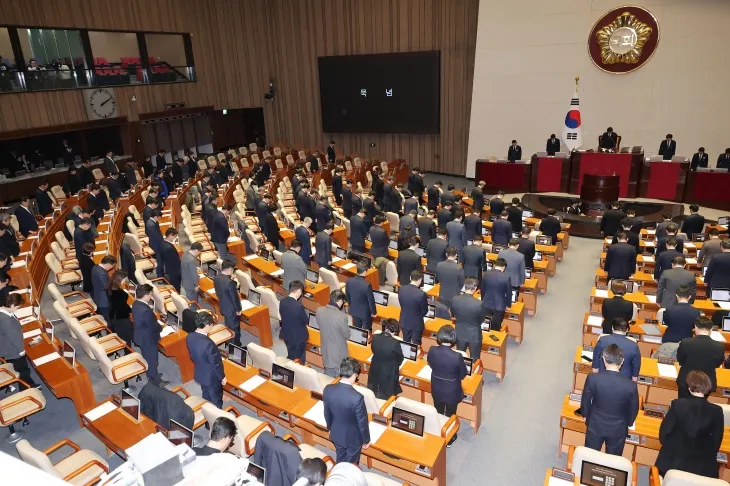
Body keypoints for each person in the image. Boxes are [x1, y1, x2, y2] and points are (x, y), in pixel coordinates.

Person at [655, 370, 724, 478]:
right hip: (703, 469)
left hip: (672, 464)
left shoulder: (677, 405)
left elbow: (664, 434)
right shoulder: (717, 411)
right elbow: (716, 441)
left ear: (689, 387)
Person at [580, 344, 639, 455]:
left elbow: (586, 399)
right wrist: (629, 422)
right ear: (622, 361)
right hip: (618, 428)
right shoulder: (631, 385)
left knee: (589, 457)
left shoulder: (593, 378)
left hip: (595, 424)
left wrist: (585, 414)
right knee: (612, 462)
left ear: (604, 359)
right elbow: (634, 408)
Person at [323, 357, 370, 463]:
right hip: (353, 438)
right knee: (351, 464)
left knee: (340, 458)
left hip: (336, 433)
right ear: (354, 375)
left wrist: (330, 428)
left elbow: (327, 413)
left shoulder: (328, 389)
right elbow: (362, 422)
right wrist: (366, 440)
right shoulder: (357, 397)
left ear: (340, 371)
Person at [427, 324, 466, 447]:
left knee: (438, 412)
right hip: (452, 391)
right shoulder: (457, 356)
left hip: (436, 387)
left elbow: (430, 363)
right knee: (450, 414)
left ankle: (438, 433)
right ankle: (450, 437)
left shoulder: (432, 350)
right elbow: (463, 374)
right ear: (453, 338)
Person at [676, 317, 725, 398]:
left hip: (686, 381)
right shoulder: (719, 346)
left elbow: (680, 360)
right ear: (711, 329)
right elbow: (717, 364)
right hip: (706, 383)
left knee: (682, 405)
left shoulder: (686, 342)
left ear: (695, 327)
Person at [186, 311, 225, 408]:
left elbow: (192, 356)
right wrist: (222, 377)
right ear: (207, 325)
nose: (212, 327)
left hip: (200, 373)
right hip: (212, 378)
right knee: (216, 400)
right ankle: (215, 419)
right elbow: (216, 364)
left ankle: (207, 416)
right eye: (212, 324)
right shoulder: (208, 344)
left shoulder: (189, 336)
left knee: (206, 396)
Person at [0, 294, 40, 388]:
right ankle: (28, 388)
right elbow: (14, 337)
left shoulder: (4, 313)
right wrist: (21, 351)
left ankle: (29, 385)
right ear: (12, 305)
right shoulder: (6, 320)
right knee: (23, 370)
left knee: (20, 369)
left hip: (8, 345)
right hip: (13, 351)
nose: (17, 309)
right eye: (17, 307)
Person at [132, 284, 168, 387]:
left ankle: (151, 375)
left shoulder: (136, 303)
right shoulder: (145, 311)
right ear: (146, 295)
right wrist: (161, 328)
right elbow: (153, 326)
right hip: (147, 339)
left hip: (140, 336)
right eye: (150, 294)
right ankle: (156, 381)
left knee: (147, 357)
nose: (151, 297)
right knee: (152, 359)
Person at [451, 277, 487, 358]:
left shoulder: (455, 299)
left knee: (460, 357)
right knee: (475, 358)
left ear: (465, 286)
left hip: (460, 333)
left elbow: (453, 314)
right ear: (475, 289)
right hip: (474, 335)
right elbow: (482, 319)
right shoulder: (479, 303)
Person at [317, 291, 351, 377]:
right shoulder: (342, 317)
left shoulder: (319, 310)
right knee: (337, 376)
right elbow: (347, 335)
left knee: (328, 371)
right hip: (338, 352)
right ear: (340, 301)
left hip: (325, 347)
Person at [367, 318, 403, 400]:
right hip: (389, 369)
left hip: (375, 365)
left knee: (375, 386)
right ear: (394, 330)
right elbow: (400, 357)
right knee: (387, 391)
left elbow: (373, 350)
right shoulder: (394, 343)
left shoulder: (375, 337)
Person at [279, 280, 309, 363]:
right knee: (300, 359)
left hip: (286, 334)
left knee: (291, 354)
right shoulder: (298, 306)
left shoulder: (282, 302)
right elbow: (306, 320)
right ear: (298, 291)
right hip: (298, 338)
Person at [214, 260, 242, 345]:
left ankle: (228, 341)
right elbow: (235, 298)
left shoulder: (217, 277)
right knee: (235, 329)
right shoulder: (230, 283)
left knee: (228, 325)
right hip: (232, 310)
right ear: (230, 269)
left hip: (223, 306)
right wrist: (238, 309)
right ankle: (236, 346)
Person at [480, 258, 511, 331]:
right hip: (499, 305)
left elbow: (482, 289)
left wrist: (483, 299)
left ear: (494, 265)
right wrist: (508, 305)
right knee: (496, 325)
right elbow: (508, 293)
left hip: (486, 303)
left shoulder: (486, 274)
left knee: (486, 324)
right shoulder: (506, 277)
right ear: (504, 267)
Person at [398, 270, 428, 344]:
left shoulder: (401, 289)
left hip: (404, 320)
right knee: (416, 343)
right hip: (417, 323)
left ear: (410, 278)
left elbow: (401, 303)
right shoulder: (421, 294)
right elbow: (425, 310)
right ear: (420, 280)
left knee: (406, 341)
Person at [345, 260, 377, 330]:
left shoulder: (349, 281)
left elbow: (347, 296)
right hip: (365, 314)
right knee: (367, 331)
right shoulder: (367, 285)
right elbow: (371, 301)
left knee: (357, 330)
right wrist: (374, 312)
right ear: (365, 271)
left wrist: (351, 305)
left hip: (354, 310)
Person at [107, 270, 133, 351]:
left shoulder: (110, 286)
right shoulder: (120, 294)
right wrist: (131, 309)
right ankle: (128, 353)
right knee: (127, 336)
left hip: (113, 315)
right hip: (122, 318)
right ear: (119, 279)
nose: (125, 281)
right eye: (124, 279)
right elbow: (123, 307)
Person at [92, 255, 116, 324]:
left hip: (97, 296)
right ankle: (110, 333)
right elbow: (108, 287)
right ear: (108, 264)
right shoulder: (102, 273)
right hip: (104, 301)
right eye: (112, 266)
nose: (112, 268)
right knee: (108, 320)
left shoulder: (95, 267)